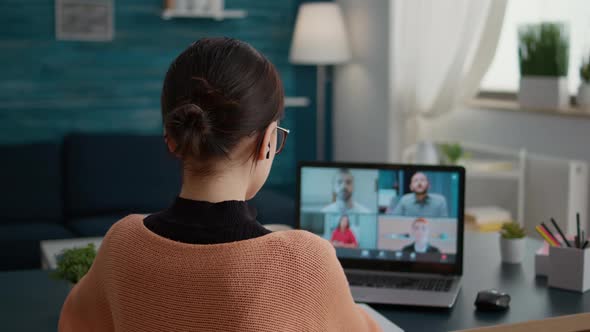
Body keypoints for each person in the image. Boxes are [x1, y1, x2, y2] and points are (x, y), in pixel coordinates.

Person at [58, 38, 379, 332]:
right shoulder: (305, 262)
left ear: (171, 138)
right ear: (267, 142)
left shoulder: (121, 243)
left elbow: (72, 323)